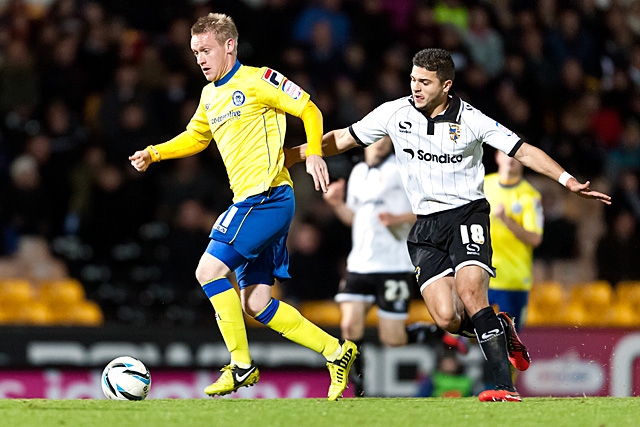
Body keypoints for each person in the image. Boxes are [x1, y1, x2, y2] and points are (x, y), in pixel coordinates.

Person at [285, 47, 611, 402]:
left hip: (466, 214)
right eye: (412, 79)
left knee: (472, 293)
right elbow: (343, 138)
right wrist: (295, 155)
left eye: (424, 82)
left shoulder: (471, 119)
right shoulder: (394, 113)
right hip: (426, 227)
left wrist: (567, 181)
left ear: (446, 85)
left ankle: (504, 386)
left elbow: (524, 150)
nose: (416, 87)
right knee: (446, 318)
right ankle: (501, 327)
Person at [128, 13, 357, 401]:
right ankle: (337, 352)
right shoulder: (209, 95)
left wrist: (315, 152)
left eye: (205, 50)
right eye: (194, 51)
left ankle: (241, 365)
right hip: (254, 201)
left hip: (266, 196)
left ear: (229, 46)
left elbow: (310, 109)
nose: (199, 58)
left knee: (208, 270)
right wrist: (154, 152)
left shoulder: (258, 79)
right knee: (256, 302)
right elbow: (195, 137)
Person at [323, 136, 466, 397]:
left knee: (393, 339)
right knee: (349, 327)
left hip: (392, 265)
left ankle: (431, 332)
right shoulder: (357, 173)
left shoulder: (400, 170)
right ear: (365, 142)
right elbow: (355, 219)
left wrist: (396, 218)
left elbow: (424, 208)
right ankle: (359, 386)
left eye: (385, 140)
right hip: (359, 264)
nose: (379, 144)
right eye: (375, 139)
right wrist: (337, 204)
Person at [484, 149, 544, 332]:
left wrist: (506, 220)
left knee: (509, 342)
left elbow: (535, 238)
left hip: (513, 280)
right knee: (468, 330)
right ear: (497, 157)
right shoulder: (483, 185)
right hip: (483, 275)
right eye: (506, 153)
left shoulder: (531, 197)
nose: (511, 159)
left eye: (516, 156)